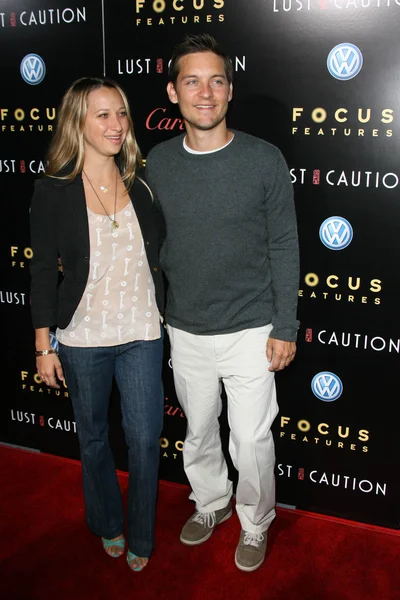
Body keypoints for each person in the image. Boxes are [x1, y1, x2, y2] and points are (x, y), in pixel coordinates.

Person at [146, 33, 299, 572]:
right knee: (198, 430)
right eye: (192, 80)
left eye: (216, 81)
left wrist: (286, 324)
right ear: (172, 92)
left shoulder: (264, 159)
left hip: (254, 328)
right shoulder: (156, 164)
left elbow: (284, 244)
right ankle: (209, 503)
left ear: (230, 90)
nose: (204, 92)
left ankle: (255, 522)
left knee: (253, 439)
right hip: (185, 328)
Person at [30, 77, 164, 572]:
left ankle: (143, 534)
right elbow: (43, 269)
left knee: (147, 439)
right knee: (92, 437)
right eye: (102, 115)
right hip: (83, 337)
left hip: (143, 333)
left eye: (121, 114)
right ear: (77, 123)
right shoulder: (52, 190)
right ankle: (108, 521)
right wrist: (45, 346)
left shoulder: (143, 184)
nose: (115, 125)